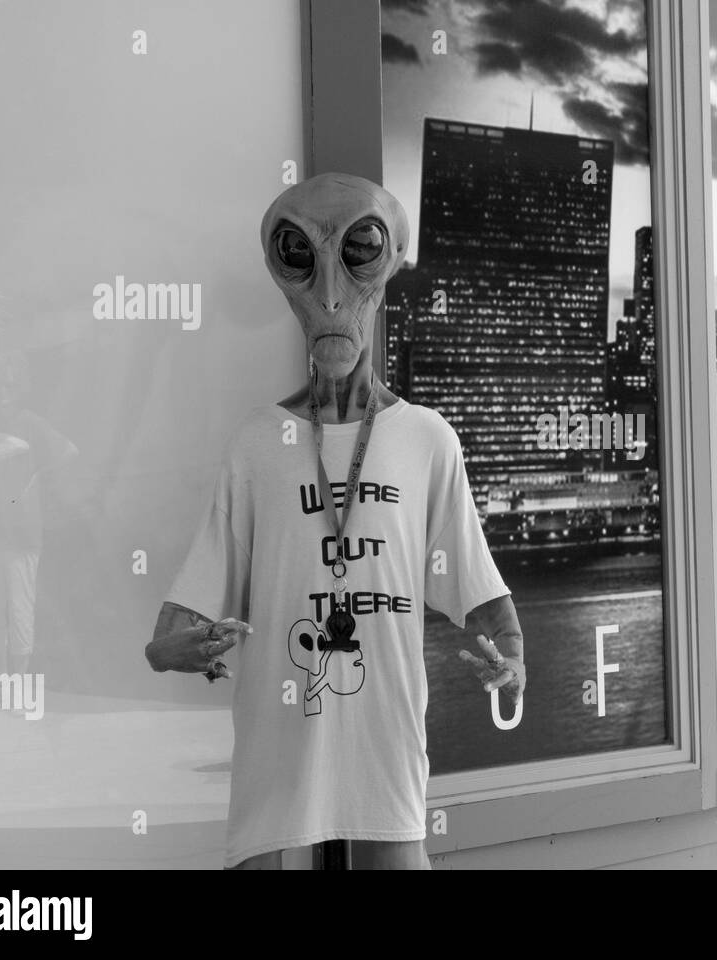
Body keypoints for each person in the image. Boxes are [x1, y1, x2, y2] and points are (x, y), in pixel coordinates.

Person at [144, 173, 526, 870]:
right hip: (277, 750)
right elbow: (175, 624)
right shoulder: (257, 442)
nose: (328, 294)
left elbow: (476, 588)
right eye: (299, 255)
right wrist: (178, 647)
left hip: (386, 743)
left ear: (394, 258)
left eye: (360, 251)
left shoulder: (427, 438)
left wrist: (510, 652)